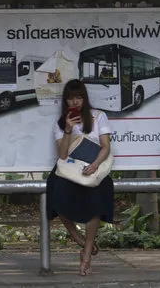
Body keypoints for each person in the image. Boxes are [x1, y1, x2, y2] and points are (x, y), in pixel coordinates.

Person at [45, 79, 114, 276]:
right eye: (71, 98)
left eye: (79, 97)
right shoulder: (60, 124)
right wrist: (68, 129)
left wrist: (95, 165)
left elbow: (106, 147)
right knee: (55, 193)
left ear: (84, 98)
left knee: (98, 197)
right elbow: (62, 155)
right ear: (65, 101)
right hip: (70, 168)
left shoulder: (98, 116)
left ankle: (87, 253)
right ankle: (78, 238)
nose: (75, 102)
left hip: (94, 166)